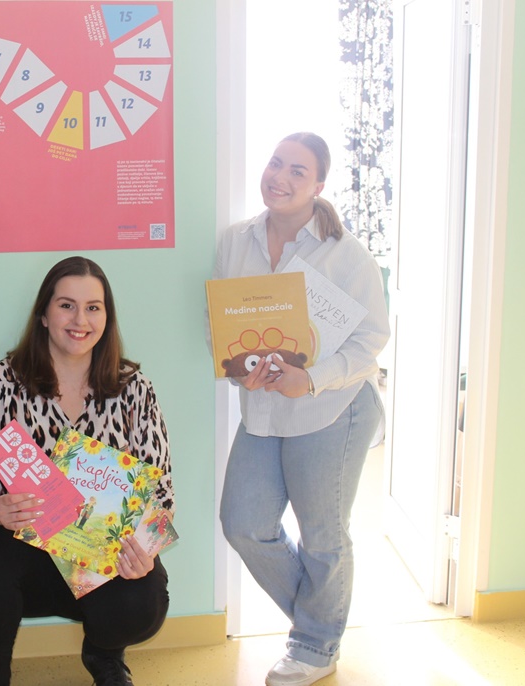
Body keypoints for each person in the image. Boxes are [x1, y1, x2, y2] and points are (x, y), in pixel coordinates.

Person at [0, 256, 174, 686]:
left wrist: (144, 548)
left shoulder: (134, 389)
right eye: (66, 305)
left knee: (144, 599)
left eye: (93, 307)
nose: (80, 320)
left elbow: (160, 496)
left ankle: (104, 655)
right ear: (44, 315)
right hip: (19, 557)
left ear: (107, 317)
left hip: (101, 563)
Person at [215, 133, 390, 686]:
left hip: (333, 409)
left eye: (298, 171)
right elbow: (221, 322)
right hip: (263, 410)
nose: (280, 178)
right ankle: (320, 623)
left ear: (318, 186)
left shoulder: (345, 254)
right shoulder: (235, 241)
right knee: (243, 522)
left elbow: (371, 340)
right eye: (276, 164)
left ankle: (316, 646)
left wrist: (310, 379)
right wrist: (237, 367)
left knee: (323, 534)